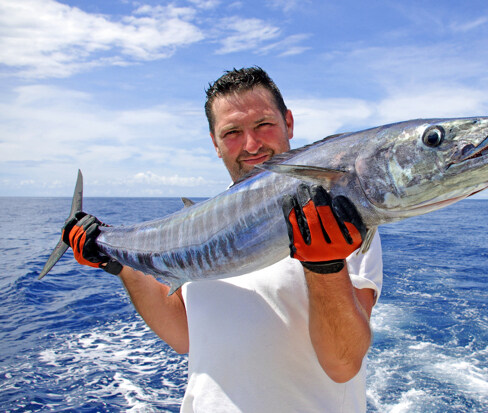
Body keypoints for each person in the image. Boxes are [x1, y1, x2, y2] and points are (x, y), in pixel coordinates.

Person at [62, 67, 383, 412]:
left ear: (288, 123)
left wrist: (325, 266)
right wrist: (118, 264)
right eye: (232, 132)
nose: (252, 144)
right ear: (215, 143)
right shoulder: (202, 224)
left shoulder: (342, 218)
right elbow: (182, 334)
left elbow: (343, 364)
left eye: (264, 125)